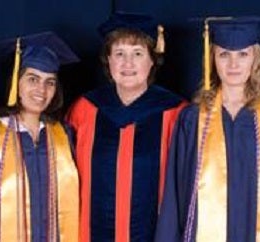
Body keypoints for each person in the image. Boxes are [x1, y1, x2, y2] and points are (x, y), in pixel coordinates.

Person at [155, 17, 260, 241]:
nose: (233, 65)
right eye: (224, 54)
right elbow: (174, 196)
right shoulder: (192, 120)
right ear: (212, 58)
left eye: (243, 54)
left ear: (256, 59)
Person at [66, 12, 186, 242]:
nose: (127, 63)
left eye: (138, 54)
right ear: (108, 60)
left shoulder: (176, 113)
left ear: (153, 60)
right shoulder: (84, 110)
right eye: (119, 53)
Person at [0, 32, 80, 242]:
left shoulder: (63, 135)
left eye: (50, 82)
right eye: (32, 79)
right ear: (16, 83)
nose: (41, 89)